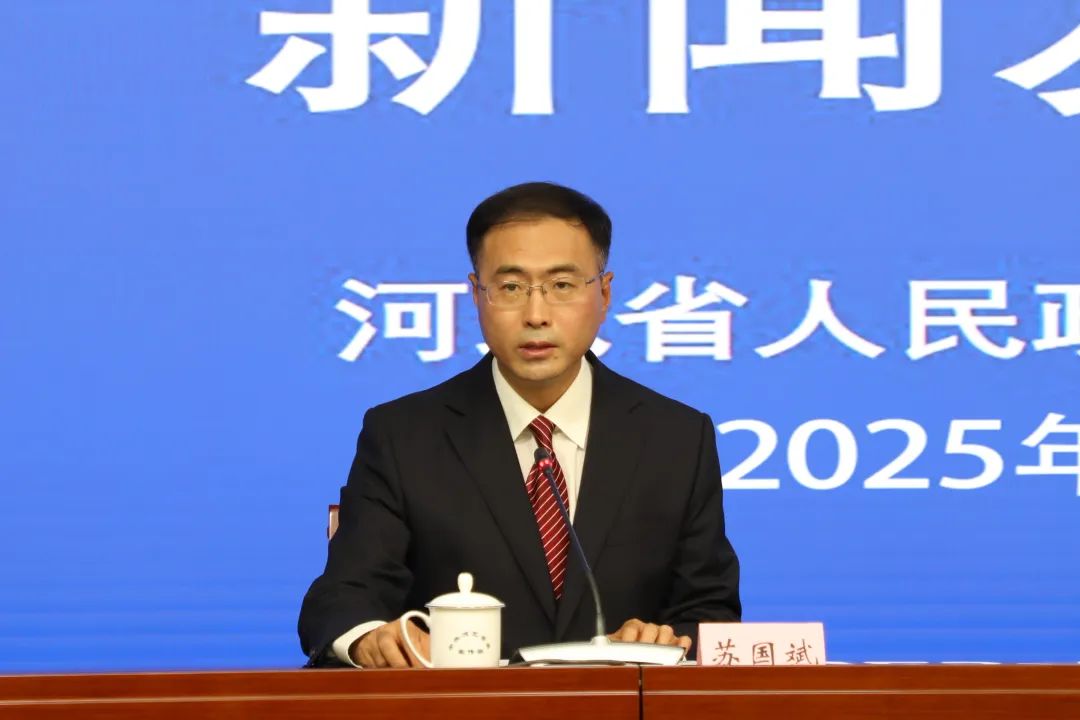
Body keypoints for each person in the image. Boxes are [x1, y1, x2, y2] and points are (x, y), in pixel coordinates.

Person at [299, 182, 740, 668]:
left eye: (562, 285)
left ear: (604, 293)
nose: (536, 315)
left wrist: (663, 639)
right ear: (476, 295)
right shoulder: (403, 436)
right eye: (510, 287)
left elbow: (710, 612)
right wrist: (369, 640)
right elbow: (344, 597)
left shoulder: (676, 437)